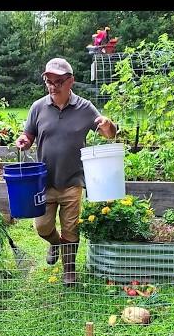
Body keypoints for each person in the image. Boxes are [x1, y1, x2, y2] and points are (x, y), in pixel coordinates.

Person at [15, 58, 117, 286]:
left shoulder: (85, 108)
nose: (52, 86)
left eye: (58, 82)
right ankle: (54, 243)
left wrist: (107, 124)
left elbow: (109, 134)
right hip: (44, 181)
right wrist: (24, 140)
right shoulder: (38, 107)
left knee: (71, 228)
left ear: (70, 81)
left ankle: (69, 270)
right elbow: (29, 136)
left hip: (73, 180)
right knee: (42, 226)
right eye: (48, 81)